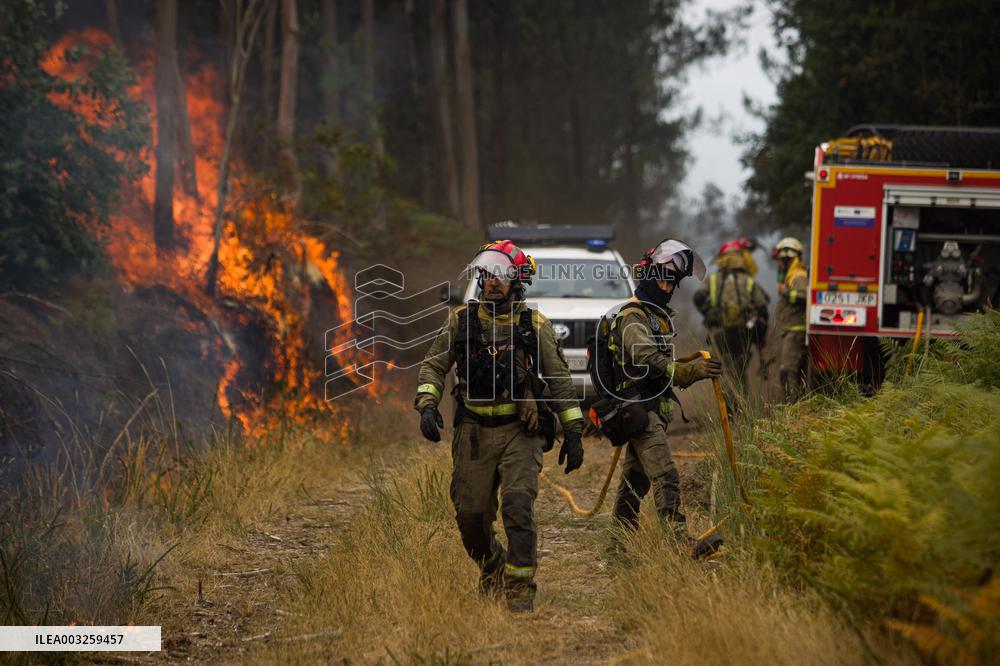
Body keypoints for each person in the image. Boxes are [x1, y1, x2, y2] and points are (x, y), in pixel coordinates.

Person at [414, 240, 585, 613]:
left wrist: (573, 431)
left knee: (518, 507)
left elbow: (559, 379)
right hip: (473, 431)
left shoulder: (533, 325)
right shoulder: (460, 321)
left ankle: (520, 592)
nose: (493, 282)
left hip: (519, 433)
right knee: (471, 519)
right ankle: (492, 567)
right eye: (487, 274)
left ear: (518, 281)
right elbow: (432, 365)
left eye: (502, 276)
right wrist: (427, 404)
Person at [606, 240, 723, 543]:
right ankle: (679, 542)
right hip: (638, 410)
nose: (666, 287)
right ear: (647, 276)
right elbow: (644, 354)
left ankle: (617, 548)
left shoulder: (655, 315)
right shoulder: (633, 316)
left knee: (634, 482)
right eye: (661, 279)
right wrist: (686, 372)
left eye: (671, 283)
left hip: (650, 408)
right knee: (666, 474)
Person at [692, 241, 770, 383]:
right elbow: (762, 308)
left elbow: (698, 297)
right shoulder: (748, 280)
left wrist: (708, 313)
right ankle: (741, 403)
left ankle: (727, 403)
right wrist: (760, 335)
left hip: (719, 332)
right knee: (739, 372)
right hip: (743, 333)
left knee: (722, 371)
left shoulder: (713, 279)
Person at [772, 237, 808, 402]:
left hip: (796, 331)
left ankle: (792, 408)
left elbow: (804, 296)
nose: (779, 264)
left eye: (780, 260)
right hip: (790, 331)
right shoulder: (792, 275)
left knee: (788, 371)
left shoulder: (798, 276)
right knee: (790, 371)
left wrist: (785, 292)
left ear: (788, 258)